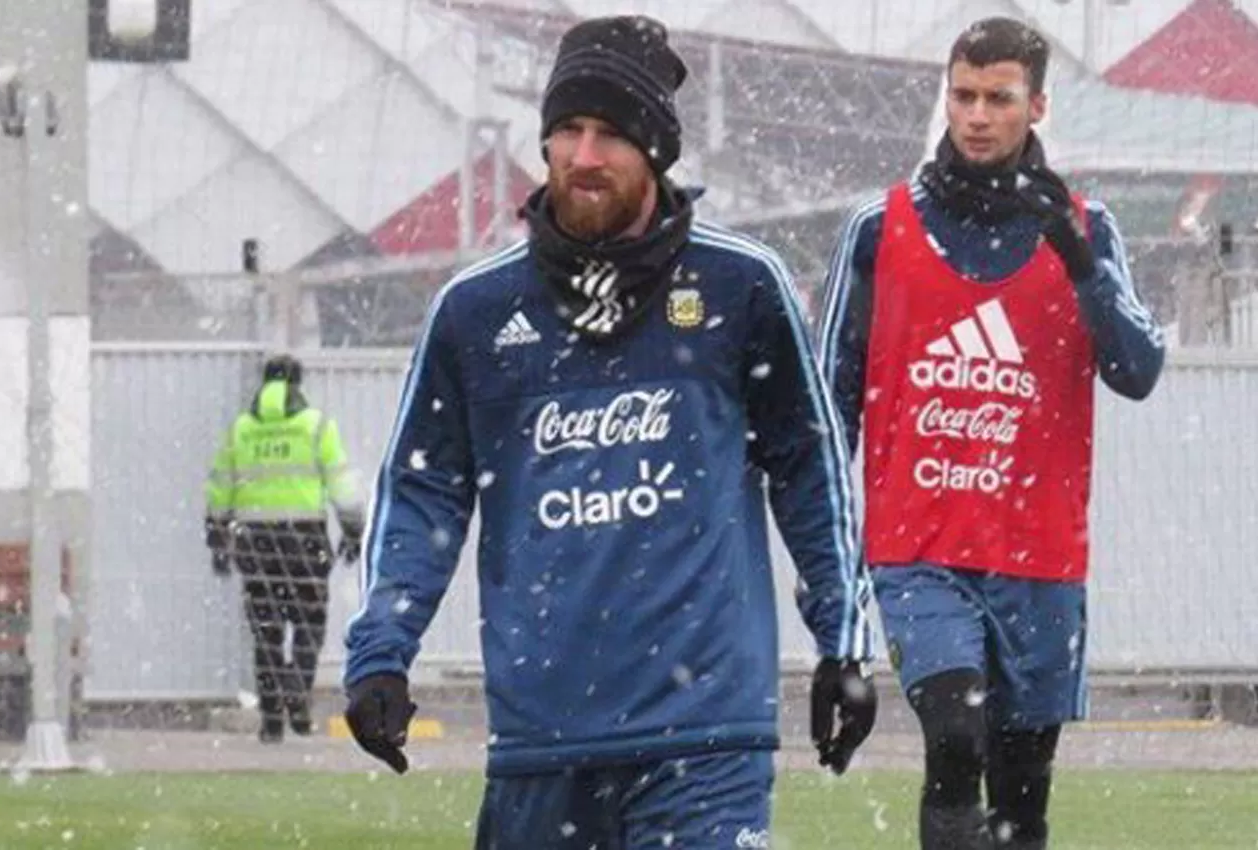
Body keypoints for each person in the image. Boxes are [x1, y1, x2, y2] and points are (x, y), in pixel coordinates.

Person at [343, 15, 877, 848]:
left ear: (657, 152)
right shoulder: (477, 313)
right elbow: (422, 490)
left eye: (611, 135)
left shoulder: (740, 286)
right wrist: (382, 650)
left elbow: (810, 471)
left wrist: (842, 644)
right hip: (542, 739)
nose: (583, 156)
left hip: (706, 735)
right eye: (567, 131)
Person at [818, 17, 1166, 850]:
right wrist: (838, 599)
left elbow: (1139, 370)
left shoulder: (1087, 224)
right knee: (954, 739)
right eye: (962, 95)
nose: (975, 115)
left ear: (1036, 105)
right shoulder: (879, 227)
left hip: (1039, 558)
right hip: (919, 552)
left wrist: (1080, 264)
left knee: (1021, 799)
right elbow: (826, 406)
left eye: (997, 98)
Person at [205, 354, 364, 742]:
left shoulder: (241, 430)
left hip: (255, 543)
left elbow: (220, 486)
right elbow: (341, 483)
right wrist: (353, 530)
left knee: (266, 631)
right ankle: (297, 689)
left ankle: (272, 719)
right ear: (298, 383)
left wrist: (217, 536)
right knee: (309, 623)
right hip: (305, 539)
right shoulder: (316, 427)